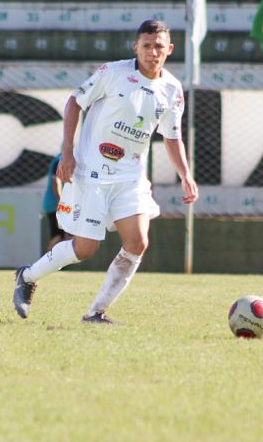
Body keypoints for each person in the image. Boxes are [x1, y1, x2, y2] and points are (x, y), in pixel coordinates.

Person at [13, 19, 199, 324]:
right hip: (93, 173)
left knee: (138, 242)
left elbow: (172, 136)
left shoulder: (172, 89)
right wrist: (68, 152)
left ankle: (96, 312)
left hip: (131, 177)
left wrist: (186, 175)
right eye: (147, 46)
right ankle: (28, 276)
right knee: (85, 249)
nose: (152, 52)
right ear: (136, 47)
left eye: (159, 46)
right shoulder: (112, 73)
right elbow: (74, 102)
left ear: (170, 50)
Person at [42, 152, 66, 251]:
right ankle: (48, 258)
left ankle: (51, 258)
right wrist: (61, 203)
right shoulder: (60, 160)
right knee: (58, 235)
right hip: (54, 204)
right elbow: (55, 182)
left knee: (59, 235)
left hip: (52, 203)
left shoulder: (59, 158)